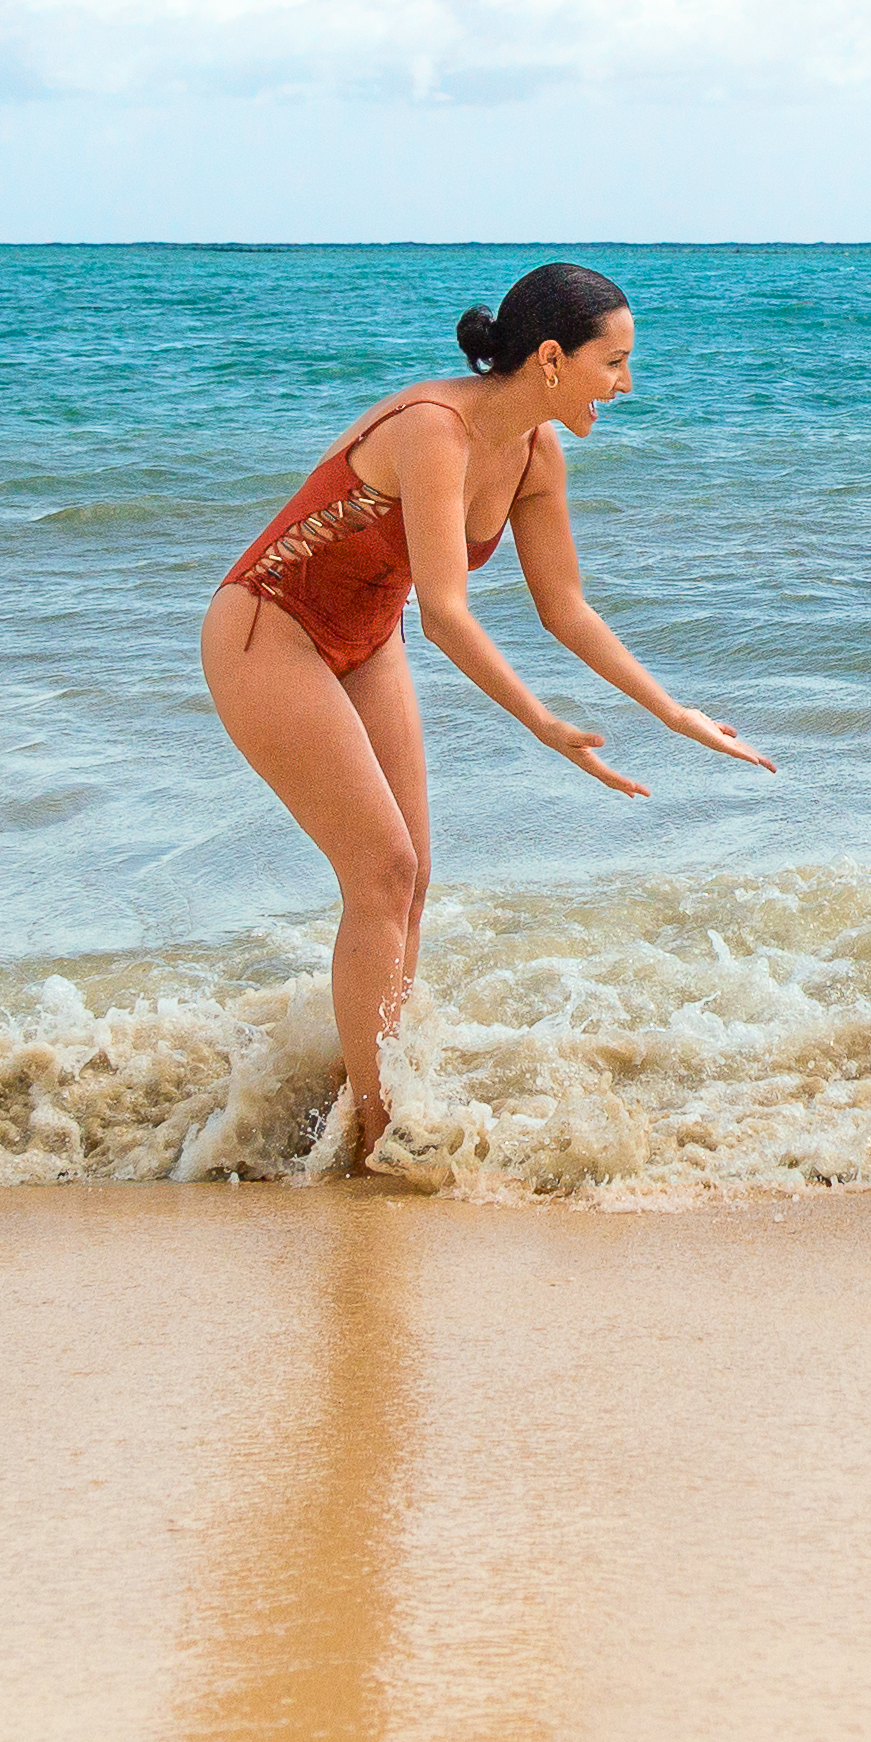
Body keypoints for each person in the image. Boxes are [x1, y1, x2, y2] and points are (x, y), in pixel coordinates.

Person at [202, 260, 769, 1176]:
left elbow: (565, 608)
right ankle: (375, 1138)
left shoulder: (539, 453)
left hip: (363, 636)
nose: (626, 384)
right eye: (614, 362)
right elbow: (447, 611)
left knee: (412, 879)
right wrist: (545, 725)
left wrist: (673, 711)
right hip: (270, 628)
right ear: (551, 357)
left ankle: (372, 1090)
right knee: (381, 869)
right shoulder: (435, 430)